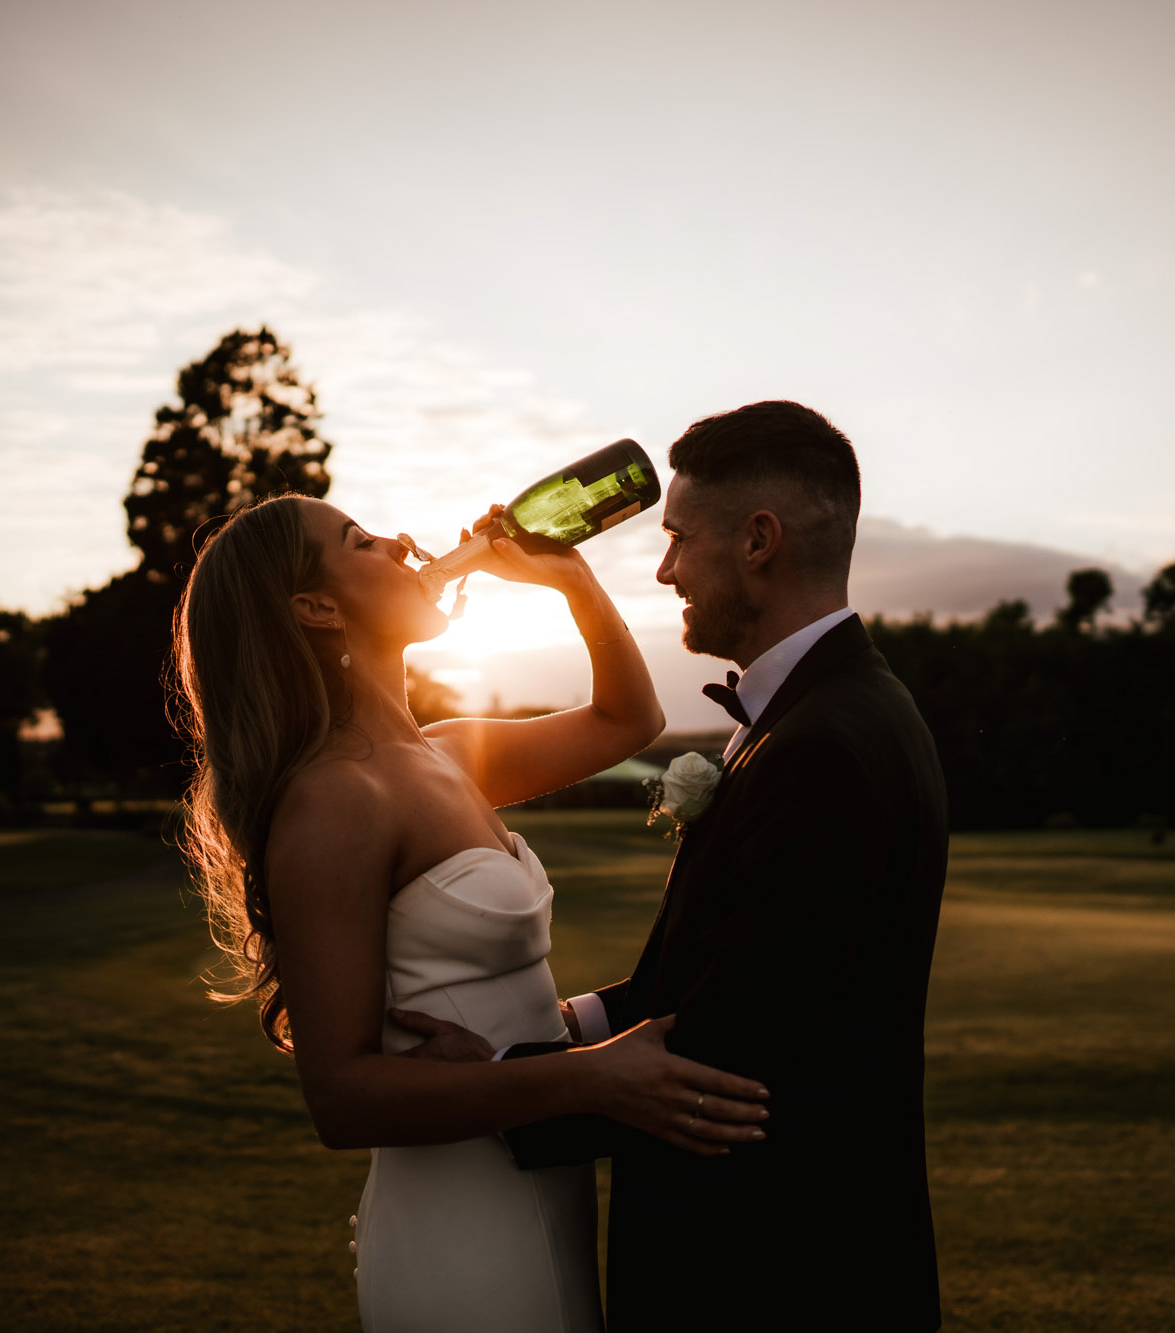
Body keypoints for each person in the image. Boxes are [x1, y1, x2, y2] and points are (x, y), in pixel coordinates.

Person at [169, 494, 772, 1333]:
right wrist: (593, 1073)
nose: (402, 540)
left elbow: (628, 719)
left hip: (535, 1182)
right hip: (459, 1221)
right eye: (361, 540)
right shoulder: (335, 800)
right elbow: (340, 1097)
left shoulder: (445, 753)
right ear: (316, 607)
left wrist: (569, 579)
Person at [412, 400, 949, 1330]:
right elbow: (697, 980)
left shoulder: (826, 745)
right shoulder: (825, 715)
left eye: (676, 540)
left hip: (778, 1273)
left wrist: (499, 1079)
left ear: (758, 540)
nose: (664, 571)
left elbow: (717, 1058)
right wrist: (554, 1021)